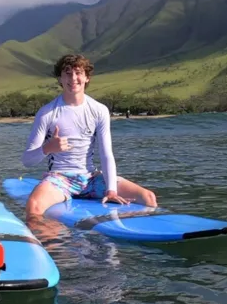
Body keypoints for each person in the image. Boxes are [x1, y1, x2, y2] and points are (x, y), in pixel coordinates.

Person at [22, 54, 157, 219]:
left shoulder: (99, 110)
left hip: (91, 179)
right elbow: (27, 160)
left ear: (87, 77)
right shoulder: (46, 113)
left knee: (148, 198)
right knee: (34, 206)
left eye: (78, 73)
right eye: (67, 73)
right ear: (60, 79)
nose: (73, 78)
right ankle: (52, 235)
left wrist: (111, 190)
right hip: (60, 180)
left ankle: (129, 230)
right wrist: (48, 148)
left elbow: (106, 154)